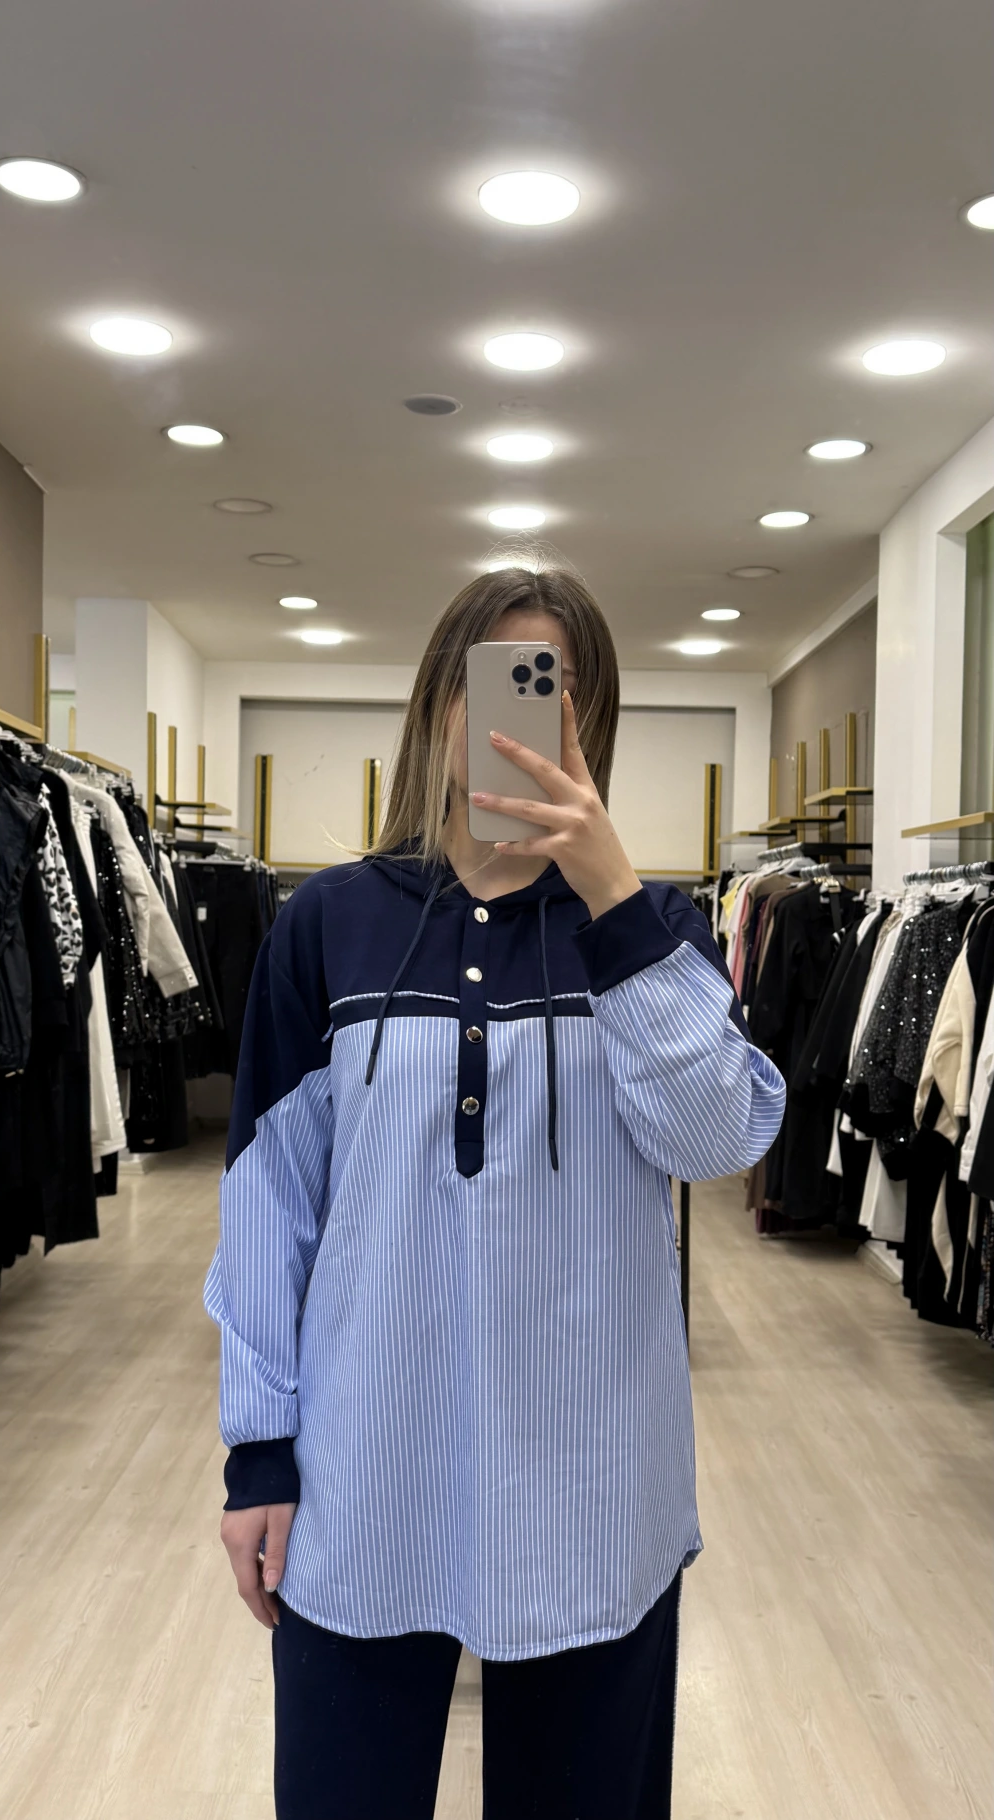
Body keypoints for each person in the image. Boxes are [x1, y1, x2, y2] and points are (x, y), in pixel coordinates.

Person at [204, 566, 785, 1820]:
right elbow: (268, 1204)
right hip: (366, 1473)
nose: (524, 716)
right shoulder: (329, 923)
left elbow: (713, 1139)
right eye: (501, 680)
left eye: (555, 689)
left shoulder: (654, 927)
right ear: (440, 703)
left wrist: (613, 895)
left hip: (593, 1487)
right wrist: (258, 1451)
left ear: (594, 720)